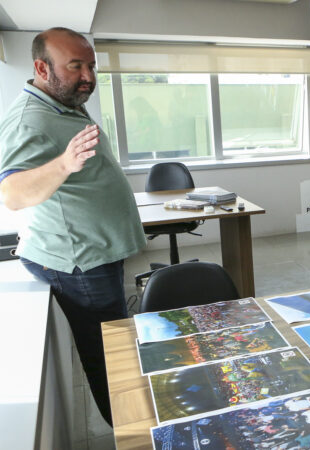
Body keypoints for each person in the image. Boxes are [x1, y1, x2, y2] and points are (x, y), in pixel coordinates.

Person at [0, 27, 146, 426]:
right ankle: (133, 432)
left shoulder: (62, 102)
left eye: (92, 65)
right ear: (41, 68)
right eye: (76, 65)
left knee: (116, 348)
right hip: (80, 263)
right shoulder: (30, 119)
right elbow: (11, 193)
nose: (88, 76)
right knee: (109, 357)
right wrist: (63, 164)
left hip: (95, 253)